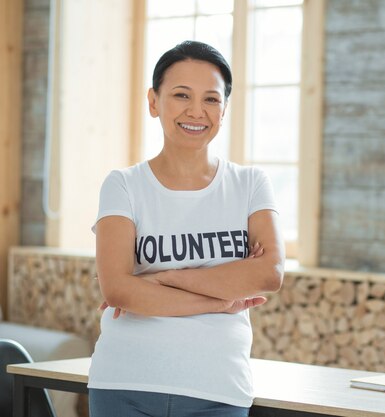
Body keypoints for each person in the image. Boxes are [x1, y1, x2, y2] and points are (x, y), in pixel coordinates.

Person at [89, 40, 284, 417]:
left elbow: (269, 273)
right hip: (124, 385)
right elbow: (117, 289)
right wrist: (221, 299)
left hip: (217, 390)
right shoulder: (123, 185)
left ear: (224, 109)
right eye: (181, 95)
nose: (197, 111)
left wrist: (160, 279)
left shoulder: (250, 184)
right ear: (153, 102)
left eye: (211, 99)